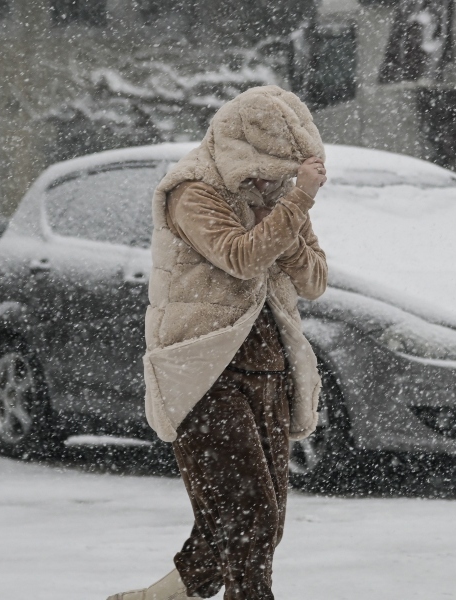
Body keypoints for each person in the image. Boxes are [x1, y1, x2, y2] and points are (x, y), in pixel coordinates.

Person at [107, 85, 328, 600]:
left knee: (251, 524)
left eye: (282, 172)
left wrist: (287, 214)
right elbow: (241, 257)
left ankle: (155, 598)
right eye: (266, 169)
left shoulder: (277, 199)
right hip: (202, 370)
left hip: (268, 365)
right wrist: (296, 201)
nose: (270, 181)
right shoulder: (193, 191)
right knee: (248, 514)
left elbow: (314, 280)